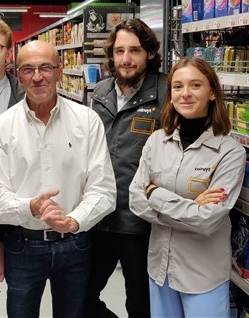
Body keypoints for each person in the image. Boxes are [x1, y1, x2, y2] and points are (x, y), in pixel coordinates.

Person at [0, 40, 117, 318]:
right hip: (22, 245)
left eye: (46, 67)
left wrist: (73, 221)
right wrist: (30, 206)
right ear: (18, 75)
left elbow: (103, 190)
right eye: (28, 69)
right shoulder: (1, 128)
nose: (38, 76)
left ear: (59, 72)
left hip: (75, 243)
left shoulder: (87, 121)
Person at [128, 58, 246, 317]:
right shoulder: (157, 140)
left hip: (202, 275)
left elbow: (208, 221)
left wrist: (154, 194)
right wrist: (191, 208)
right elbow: (135, 200)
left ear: (212, 92)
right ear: (170, 95)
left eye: (195, 85)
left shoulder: (230, 152)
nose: (186, 94)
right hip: (160, 268)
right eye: (178, 87)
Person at [84, 18, 168, 318]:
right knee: (80, 298)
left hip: (139, 222)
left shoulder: (166, 92)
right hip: (99, 215)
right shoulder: (102, 90)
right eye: (119, 51)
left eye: (134, 50)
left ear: (149, 54)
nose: (126, 59)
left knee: (141, 304)